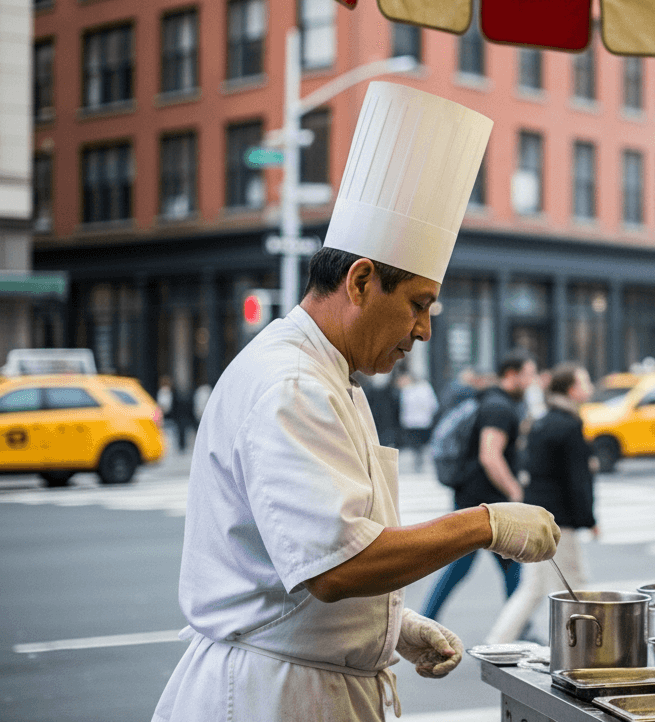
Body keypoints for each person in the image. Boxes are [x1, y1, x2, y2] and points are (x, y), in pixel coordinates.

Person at [153, 82, 561, 722]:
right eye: (420, 304)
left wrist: (391, 624)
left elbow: (316, 548)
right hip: (272, 698)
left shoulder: (332, 374)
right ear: (362, 280)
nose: (425, 329)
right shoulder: (292, 383)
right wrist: (485, 523)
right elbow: (335, 567)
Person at [421, 348, 538, 620]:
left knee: (501, 566)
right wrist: (515, 491)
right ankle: (516, 626)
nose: (532, 381)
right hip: (487, 504)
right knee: (499, 565)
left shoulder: (489, 399)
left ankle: (517, 625)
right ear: (512, 375)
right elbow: (490, 455)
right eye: (529, 375)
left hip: (474, 498)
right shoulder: (499, 407)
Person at [486, 363, 598, 644]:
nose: (589, 387)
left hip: (538, 511)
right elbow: (576, 480)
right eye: (584, 381)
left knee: (534, 587)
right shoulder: (570, 424)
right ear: (571, 389)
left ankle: (498, 641)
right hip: (561, 519)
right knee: (574, 585)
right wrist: (589, 518)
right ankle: (580, 646)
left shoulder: (542, 420)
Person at [398, 372, 439, 472]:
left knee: (415, 443)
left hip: (411, 421)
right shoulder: (425, 388)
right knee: (421, 442)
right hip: (423, 420)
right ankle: (420, 459)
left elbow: (403, 406)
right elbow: (433, 405)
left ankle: (418, 460)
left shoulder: (407, 389)